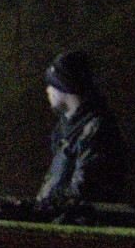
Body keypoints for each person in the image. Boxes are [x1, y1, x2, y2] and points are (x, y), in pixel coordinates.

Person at [32, 50, 125, 214]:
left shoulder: (96, 129)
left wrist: (46, 207)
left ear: (65, 86)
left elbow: (83, 190)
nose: (48, 90)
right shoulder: (65, 129)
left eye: (52, 84)